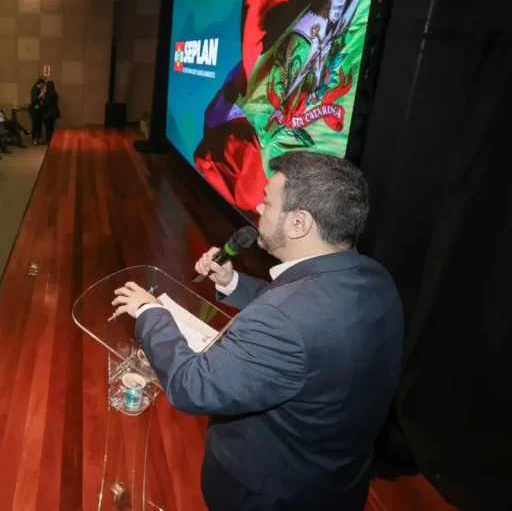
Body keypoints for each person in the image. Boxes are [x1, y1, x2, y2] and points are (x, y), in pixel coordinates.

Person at [111, 152, 403, 511]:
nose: (257, 208)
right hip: (336, 482)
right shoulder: (374, 277)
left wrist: (150, 312)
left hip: (270, 496)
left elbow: (193, 386)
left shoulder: (285, 320)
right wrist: (232, 282)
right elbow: (305, 315)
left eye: (267, 202)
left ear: (299, 223)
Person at [29, 77, 45, 145]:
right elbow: (34, 100)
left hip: (39, 109)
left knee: (39, 124)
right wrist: (40, 95)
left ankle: (38, 138)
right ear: (40, 83)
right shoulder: (34, 90)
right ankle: (34, 139)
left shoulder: (38, 89)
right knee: (35, 124)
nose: (43, 86)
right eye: (43, 84)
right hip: (34, 110)